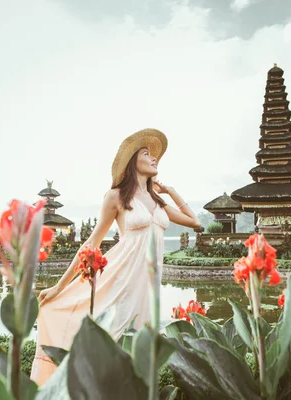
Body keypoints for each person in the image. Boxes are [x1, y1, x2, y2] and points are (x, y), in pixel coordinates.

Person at [30, 128, 201, 385]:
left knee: (136, 354)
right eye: (147, 153)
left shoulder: (160, 203)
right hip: (120, 279)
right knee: (107, 340)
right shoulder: (117, 196)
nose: (154, 158)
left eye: (155, 156)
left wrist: (171, 192)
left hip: (148, 286)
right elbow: (91, 243)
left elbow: (194, 221)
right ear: (133, 161)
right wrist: (58, 286)